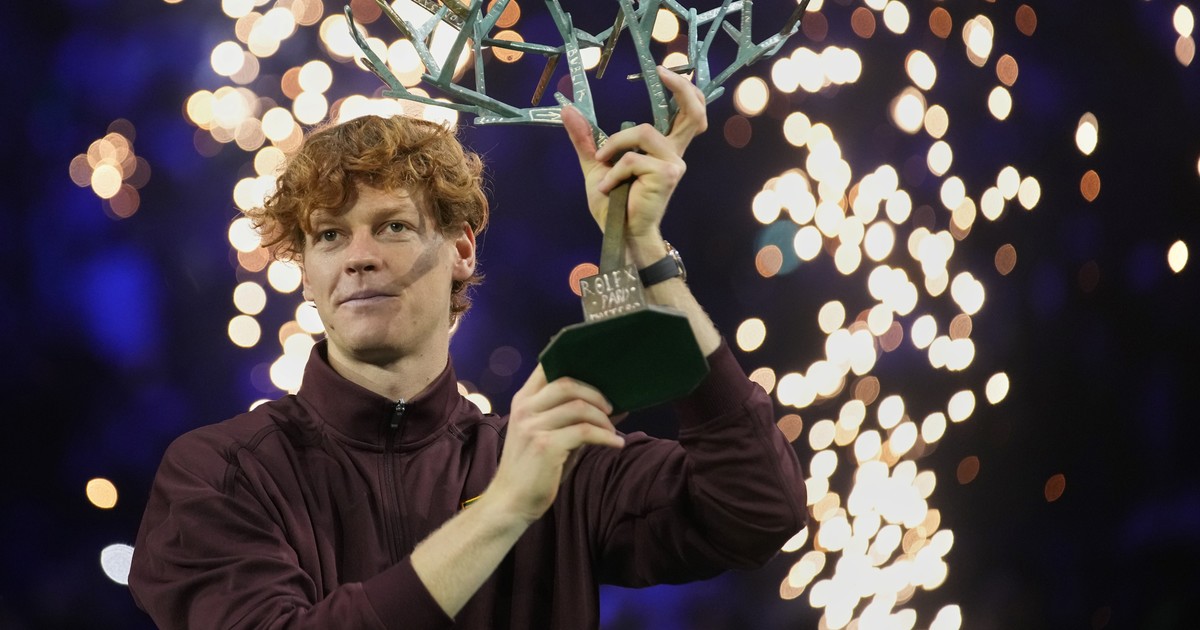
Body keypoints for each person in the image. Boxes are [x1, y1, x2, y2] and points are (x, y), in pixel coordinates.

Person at [129, 67, 806, 629]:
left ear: (461, 249)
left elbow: (756, 509)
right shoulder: (220, 473)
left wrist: (645, 250)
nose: (358, 257)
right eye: (329, 235)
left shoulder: (550, 462)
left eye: (392, 226)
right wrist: (506, 507)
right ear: (305, 271)